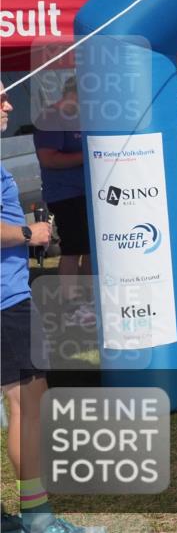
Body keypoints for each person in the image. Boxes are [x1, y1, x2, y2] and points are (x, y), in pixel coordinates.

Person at [2, 86, 96, 533]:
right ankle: (38, 520)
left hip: (12, 296)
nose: (7, 105)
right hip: (7, 301)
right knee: (28, 406)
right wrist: (29, 234)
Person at [32, 77, 93, 324]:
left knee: (90, 248)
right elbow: (48, 159)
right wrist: (87, 155)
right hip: (65, 194)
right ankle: (70, 307)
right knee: (73, 249)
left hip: (87, 192)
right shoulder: (51, 118)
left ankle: (88, 300)